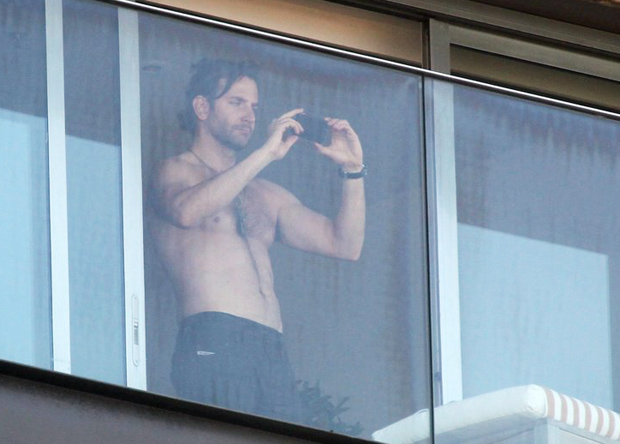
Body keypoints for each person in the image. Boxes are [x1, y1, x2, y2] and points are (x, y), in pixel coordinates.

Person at [149, 58, 365, 422]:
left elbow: (344, 245)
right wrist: (265, 153)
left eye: (254, 107)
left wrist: (353, 169)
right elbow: (186, 212)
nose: (249, 116)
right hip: (214, 335)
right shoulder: (175, 170)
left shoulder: (265, 193)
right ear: (202, 107)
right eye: (236, 102)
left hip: (271, 349)